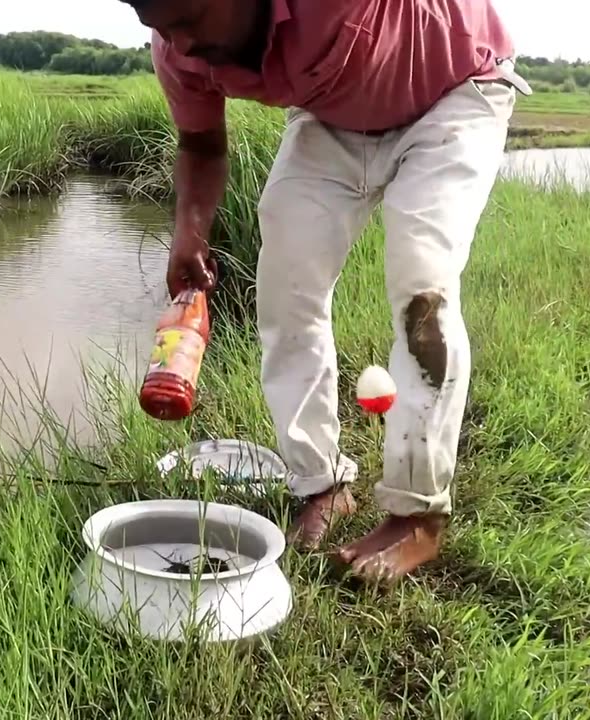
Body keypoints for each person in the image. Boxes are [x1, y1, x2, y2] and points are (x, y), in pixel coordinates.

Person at [119, 0, 531, 583]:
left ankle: (417, 516)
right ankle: (320, 484)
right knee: (286, 286)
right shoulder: (178, 47)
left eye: (188, 20)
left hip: (455, 91)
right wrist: (189, 233)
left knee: (422, 287)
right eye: (159, 27)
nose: (178, 44)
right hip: (332, 117)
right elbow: (201, 145)